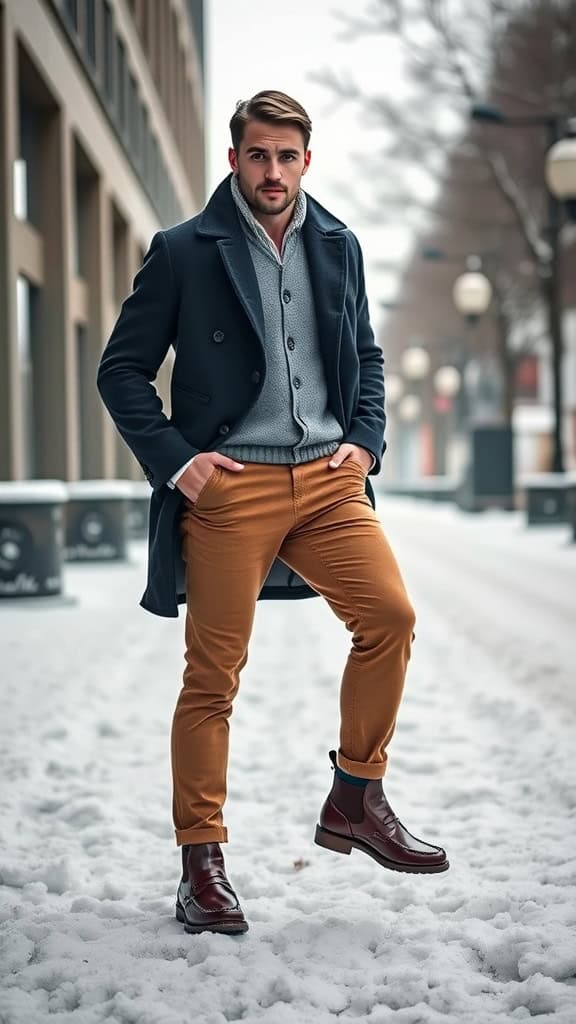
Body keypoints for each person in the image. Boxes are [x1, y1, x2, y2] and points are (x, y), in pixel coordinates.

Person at [97, 90, 448, 937]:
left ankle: (356, 798)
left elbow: (364, 354)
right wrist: (179, 464)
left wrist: (365, 439)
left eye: (287, 157)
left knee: (391, 616)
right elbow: (121, 371)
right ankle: (201, 861)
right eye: (258, 156)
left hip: (328, 481)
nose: (273, 172)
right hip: (233, 485)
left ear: (306, 161)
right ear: (234, 161)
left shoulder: (339, 245)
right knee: (212, 680)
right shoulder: (184, 251)